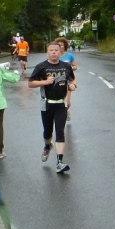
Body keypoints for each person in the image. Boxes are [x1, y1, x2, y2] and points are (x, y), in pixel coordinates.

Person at [28, 42, 77, 173]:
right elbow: (30, 83)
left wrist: (73, 85)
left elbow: (72, 79)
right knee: (47, 132)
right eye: (51, 50)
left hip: (61, 104)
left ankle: (60, 162)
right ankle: (47, 145)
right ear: (47, 53)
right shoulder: (41, 66)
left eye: (56, 50)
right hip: (47, 104)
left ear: (60, 52)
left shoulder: (66, 66)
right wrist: (45, 82)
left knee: (60, 131)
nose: (54, 52)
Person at [55, 37, 77, 122]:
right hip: (57, 81)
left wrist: (69, 68)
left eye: (61, 45)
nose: (59, 46)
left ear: (65, 46)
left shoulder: (69, 56)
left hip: (67, 81)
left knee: (67, 102)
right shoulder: (54, 55)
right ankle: (61, 114)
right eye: (58, 45)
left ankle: (66, 111)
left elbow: (75, 66)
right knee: (59, 100)